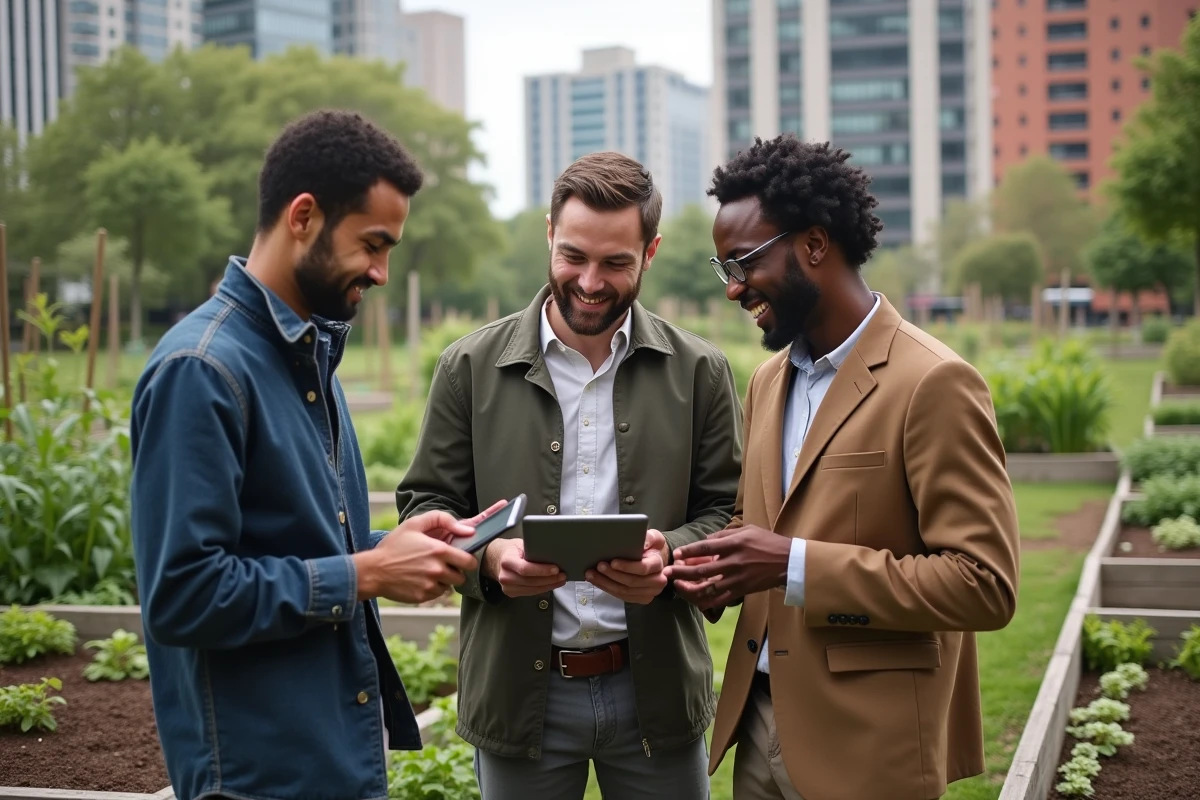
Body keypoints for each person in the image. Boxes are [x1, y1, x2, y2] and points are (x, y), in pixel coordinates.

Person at [129, 110, 486, 800]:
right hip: (258, 778)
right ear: (302, 216)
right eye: (372, 244)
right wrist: (364, 574)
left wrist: (394, 547)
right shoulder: (201, 371)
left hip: (332, 762)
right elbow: (183, 595)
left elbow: (291, 545)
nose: (382, 272)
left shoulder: (308, 356)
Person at [664, 135, 1021, 800]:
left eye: (741, 263)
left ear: (815, 245)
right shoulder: (769, 380)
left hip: (870, 746)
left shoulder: (935, 382)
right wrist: (707, 571)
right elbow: (762, 527)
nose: (733, 288)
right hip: (758, 726)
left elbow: (984, 586)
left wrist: (792, 564)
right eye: (724, 270)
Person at [394, 151, 743, 799]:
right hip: (519, 695)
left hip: (657, 693)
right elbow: (424, 509)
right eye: (573, 256)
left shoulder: (701, 372)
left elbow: (730, 514)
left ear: (652, 250)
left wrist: (671, 560)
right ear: (549, 234)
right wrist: (492, 558)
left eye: (616, 263)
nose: (590, 282)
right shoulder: (467, 368)